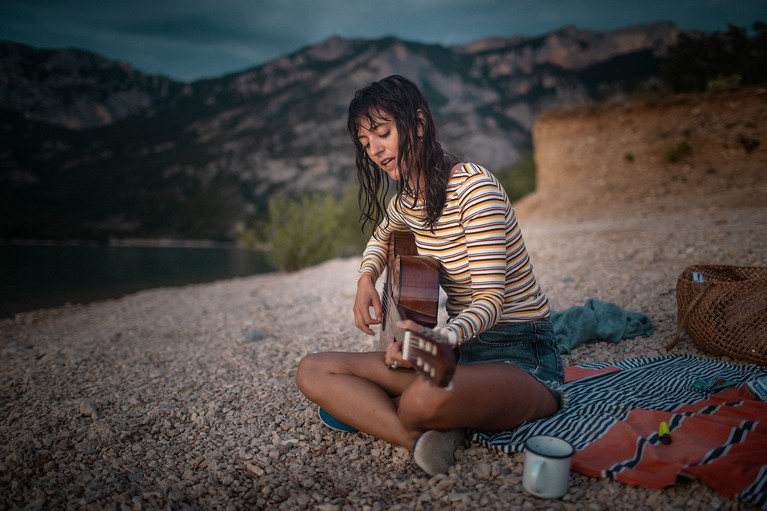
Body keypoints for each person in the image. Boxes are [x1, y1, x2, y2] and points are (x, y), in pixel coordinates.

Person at [295, 75, 564, 476]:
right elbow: (380, 239)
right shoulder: (407, 200)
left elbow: (491, 301)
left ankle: (392, 416)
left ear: (418, 125)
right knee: (312, 370)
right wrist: (366, 279)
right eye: (365, 143)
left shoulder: (475, 187)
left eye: (382, 134)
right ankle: (419, 441)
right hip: (458, 354)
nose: (375, 151)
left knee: (419, 402)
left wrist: (435, 340)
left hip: (521, 356)